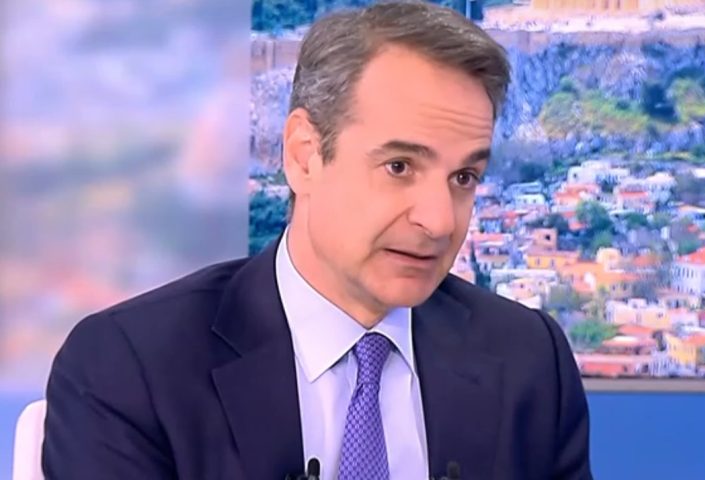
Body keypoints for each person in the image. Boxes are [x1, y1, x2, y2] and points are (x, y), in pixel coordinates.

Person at [42, 1, 593, 479]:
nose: (439, 221)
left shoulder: (528, 361)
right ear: (304, 156)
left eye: (463, 178)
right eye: (399, 167)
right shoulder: (131, 370)